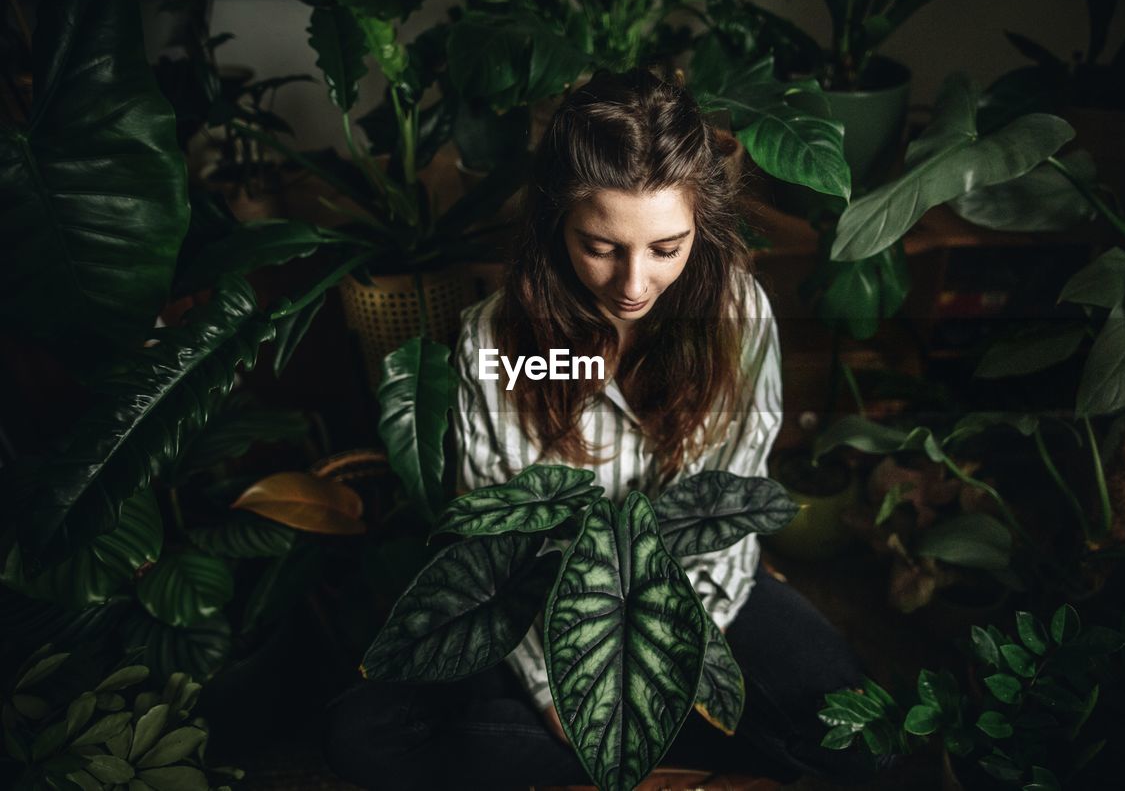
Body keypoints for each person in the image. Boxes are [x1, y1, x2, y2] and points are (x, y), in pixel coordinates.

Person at [323, 68, 882, 790]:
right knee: (362, 734)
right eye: (601, 245)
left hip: (693, 602)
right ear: (557, 220)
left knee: (866, 737)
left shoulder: (735, 317)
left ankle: (616, 757)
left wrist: (651, 677)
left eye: (665, 247)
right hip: (544, 613)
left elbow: (722, 521)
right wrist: (563, 689)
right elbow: (504, 548)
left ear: (701, 226)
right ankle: (667, 757)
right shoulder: (495, 341)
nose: (634, 283)